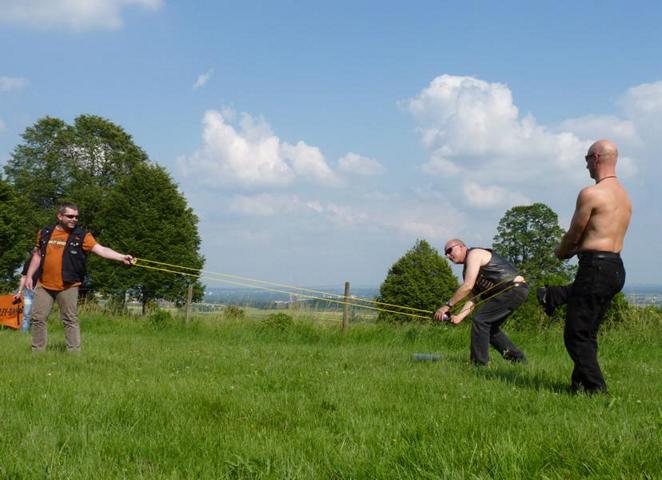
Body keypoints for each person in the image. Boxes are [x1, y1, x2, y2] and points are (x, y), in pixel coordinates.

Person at [538, 139, 631, 394]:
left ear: (596, 157)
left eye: (586, 159)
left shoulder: (591, 194)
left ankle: (597, 389)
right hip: (615, 268)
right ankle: (577, 386)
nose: (586, 165)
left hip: (595, 267)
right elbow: (599, 233)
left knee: (576, 335)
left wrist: (561, 252)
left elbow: (574, 234)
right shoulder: (624, 197)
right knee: (587, 332)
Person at [24, 202, 133, 352]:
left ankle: (74, 353)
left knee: (70, 319)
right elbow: (37, 255)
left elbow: (101, 250)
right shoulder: (44, 232)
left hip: (68, 285)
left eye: (76, 217)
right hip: (44, 284)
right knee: (38, 318)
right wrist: (29, 276)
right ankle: (37, 352)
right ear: (60, 216)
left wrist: (121, 257)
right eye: (70, 216)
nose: (74, 219)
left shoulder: (82, 236)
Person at [434, 239, 528, 366]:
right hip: (510, 293)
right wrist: (459, 317)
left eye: (450, 250)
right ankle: (519, 361)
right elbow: (472, 298)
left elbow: (467, 286)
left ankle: (479, 364)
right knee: (490, 328)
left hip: (513, 289)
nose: (448, 255)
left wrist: (447, 306)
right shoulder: (467, 270)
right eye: (446, 254)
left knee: (480, 320)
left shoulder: (474, 254)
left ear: (462, 246)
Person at [13, 252, 40, 332]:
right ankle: (24, 332)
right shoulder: (27, 262)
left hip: (40, 291)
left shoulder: (44, 261)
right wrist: (19, 292)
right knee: (26, 313)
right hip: (28, 291)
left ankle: (37, 332)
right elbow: (23, 277)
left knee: (38, 314)